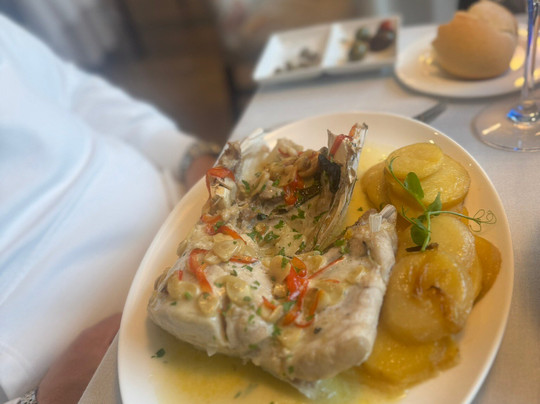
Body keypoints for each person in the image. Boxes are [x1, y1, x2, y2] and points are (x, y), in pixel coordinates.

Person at [0, 12, 220, 404]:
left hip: (184, 208)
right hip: (64, 359)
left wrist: (188, 155)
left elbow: (73, 91)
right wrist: (39, 399)